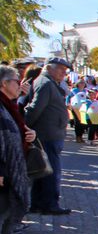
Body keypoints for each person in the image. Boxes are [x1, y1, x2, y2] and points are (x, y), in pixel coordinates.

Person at [23, 58, 73, 215]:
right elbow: (35, 109)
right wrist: (24, 125)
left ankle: (39, 203)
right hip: (47, 135)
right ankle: (49, 204)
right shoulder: (45, 83)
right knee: (50, 171)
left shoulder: (49, 83)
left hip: (49, 133)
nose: (64, 74)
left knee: (43, 171)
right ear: (50, 68)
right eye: (61, 70)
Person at [0, 65, 34, 234]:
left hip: (14, 165)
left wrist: (30, 135)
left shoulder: (9, 105)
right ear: (4, 83)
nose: (19, 83)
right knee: (2, 210)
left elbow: (19, 127)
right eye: (15, 80)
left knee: (9, 209)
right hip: (5, 168)